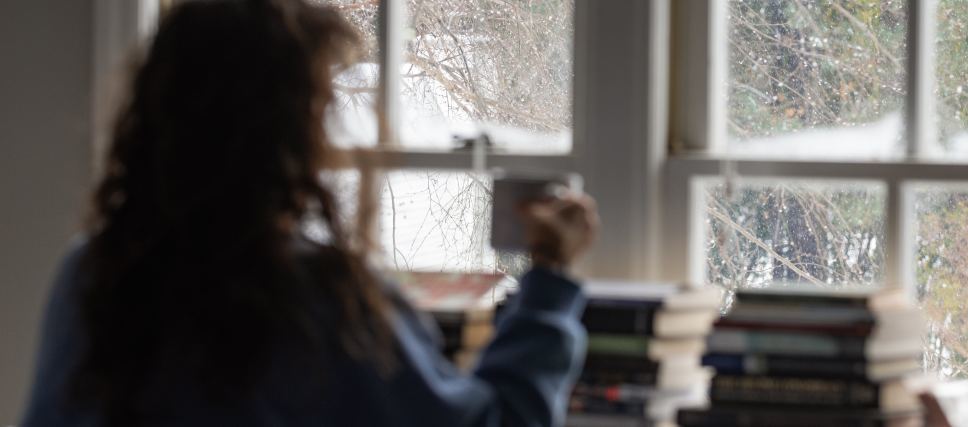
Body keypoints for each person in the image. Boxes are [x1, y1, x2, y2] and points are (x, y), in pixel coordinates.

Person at [20, 0, 599, 426]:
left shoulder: (93, 275)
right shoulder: (319, 300)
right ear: (291, 134)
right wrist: (550, 276)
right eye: (321, 107)